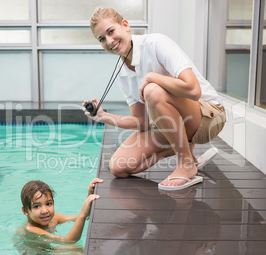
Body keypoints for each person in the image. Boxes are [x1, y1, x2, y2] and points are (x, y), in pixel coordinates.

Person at [83, 7, 226, 190]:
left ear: (125, 25)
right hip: (171, 124)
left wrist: (152, 77)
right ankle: (185, 151)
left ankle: (186, 164)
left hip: (208, 116)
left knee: (152, 90)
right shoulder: (122, 74)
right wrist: (103, 117)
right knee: (118, 167)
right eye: (102, 39)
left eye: (111, 31)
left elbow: (193, 90)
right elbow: (141, 123)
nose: (109, 41)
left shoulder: (156, 43)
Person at [20, 178, 102, 242]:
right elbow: (68, 241)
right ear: (25, 211)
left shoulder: (54, 218)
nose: (45, 211)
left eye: (48, 204)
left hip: (50, 249)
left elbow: (86, 217)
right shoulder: (32, 230)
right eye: (37, 206)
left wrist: (90, 193)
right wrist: (82, 215)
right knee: (77, 254)